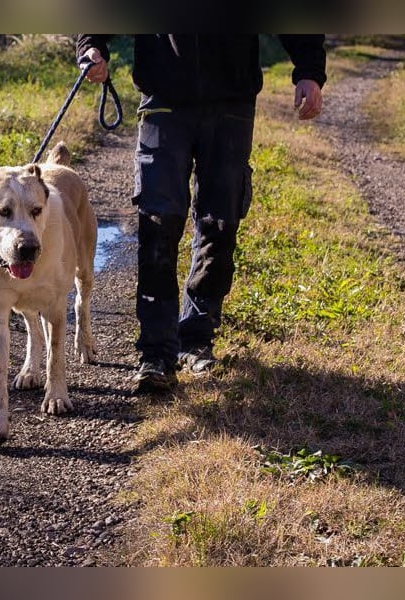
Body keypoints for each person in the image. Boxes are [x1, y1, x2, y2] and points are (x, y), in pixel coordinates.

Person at [76, 34, 326, 394]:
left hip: (232, 101)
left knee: (219, 222)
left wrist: (309, 71)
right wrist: (92, 45)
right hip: (164, 96)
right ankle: (156, 353)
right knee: (159, 224)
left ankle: (196, 339)